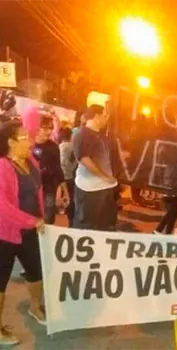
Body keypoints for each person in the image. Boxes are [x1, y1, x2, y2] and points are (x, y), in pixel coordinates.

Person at [0, 121, 46, 345]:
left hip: (31, 231)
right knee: (1, 280)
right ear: (10, 142)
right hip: (6, 234)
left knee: (36, 271)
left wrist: (41, 218)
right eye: (24, 138)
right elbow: (3, 207)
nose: (31, 141)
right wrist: (31, 220)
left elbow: (37, 193)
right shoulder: (2, 167)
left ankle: (35, 307)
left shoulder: (32, 163)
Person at [72, 105, 118, 231]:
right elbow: (84, 159)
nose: (106, 119)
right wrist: (104, 176)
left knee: (104, 224)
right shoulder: (82, 134)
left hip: (105, 186)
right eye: (104, 116)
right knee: (86, 223)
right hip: (89, 188)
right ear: (97, 116)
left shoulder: (101, 135)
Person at [32, 116, 69, 224]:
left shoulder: (53, 146)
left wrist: (64, 191)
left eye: (50, 128)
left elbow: (58, 170)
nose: (48, 131)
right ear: (36, 127)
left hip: (48, 189)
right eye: (45, 128)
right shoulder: (28, 144)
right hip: (30, 190)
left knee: (47, 220)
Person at [59, 127, 77, 226]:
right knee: (71, 197)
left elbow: (61, 162)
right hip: (71, 176)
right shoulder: (74, 146)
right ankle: (71, 220)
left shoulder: (62, 146)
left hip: (63, 177)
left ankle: (63, 211)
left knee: (63, 196)